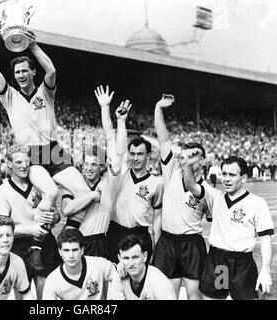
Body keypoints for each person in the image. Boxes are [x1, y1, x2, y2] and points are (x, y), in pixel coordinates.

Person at [0, 22, 90, 229]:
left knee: (85, 194)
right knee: (50, 192)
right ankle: (37, 240)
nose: (21, 75)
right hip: (30, 154)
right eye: (17, 72)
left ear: (34, 72)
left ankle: (70, 232)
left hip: (54, 151)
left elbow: (51, 71)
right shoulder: (10, 96)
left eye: (25, 71)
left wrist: (32, 45)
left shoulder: (45, 92)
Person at [183, 154, 274, 300]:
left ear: (243, 178)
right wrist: (187, 164)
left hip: (242, 265)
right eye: (224, 174)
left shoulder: (257, 203)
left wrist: (266, 271)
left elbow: (265, 240)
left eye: (232, 175)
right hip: (217, 261)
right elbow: (190, 185)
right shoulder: (215, 197)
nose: (226, 178)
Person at [152, 94, 211, 300]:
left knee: (194, 295)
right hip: (167, 241)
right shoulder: (171, 170)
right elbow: (163, 138)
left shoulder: (208, 191)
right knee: (167, 295)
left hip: (192, 244)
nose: (186, 158)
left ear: (202, 159)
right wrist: (159, 108)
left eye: (192, 154)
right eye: (183, 155)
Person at [96, 86, 163, 264]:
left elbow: (157, 221)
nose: (135, 158)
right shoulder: (122, 171)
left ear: (149, 156)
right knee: (114, 278)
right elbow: (111, 138)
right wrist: (118, 118)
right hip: (116, 231)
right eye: (132, 154)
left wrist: (157, 247)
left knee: (138, 282)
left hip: (140, 234)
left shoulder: (157, 183)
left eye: (139, 154)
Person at [60, 86, 124, 258]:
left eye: (94, 164)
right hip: (74, 243)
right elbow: (66, 210)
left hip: (98, 242)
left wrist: (104, 109)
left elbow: (111, 141)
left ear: (102, 167)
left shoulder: (107, 182)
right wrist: (90, 196)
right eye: (86, 164)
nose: (88, 168)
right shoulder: (73, 183)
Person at [0, 144, 61, 299]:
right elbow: (2, 227)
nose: (24, 166)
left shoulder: (39, 184)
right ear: (9, 164)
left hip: (45, 244)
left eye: (27, 162)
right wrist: (30, 230)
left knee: (46, 295)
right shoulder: (3, 191)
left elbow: (56, 215)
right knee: (22, 294)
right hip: (20, 246)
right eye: (18, 162)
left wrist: (54, 217)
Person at [42, 228, 115, 300]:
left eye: (75, 250)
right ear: (60, 252)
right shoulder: (53, 280)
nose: (71, 256)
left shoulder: (98, 264)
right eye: (66, 250)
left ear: (82, 250)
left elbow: (119, 271)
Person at [108, 234, 176, 300]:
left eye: (135, 257)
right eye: (126, 258)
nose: (131, 263)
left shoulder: (159, 282)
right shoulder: (118, 276)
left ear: (144, 256)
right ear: (119, 259)